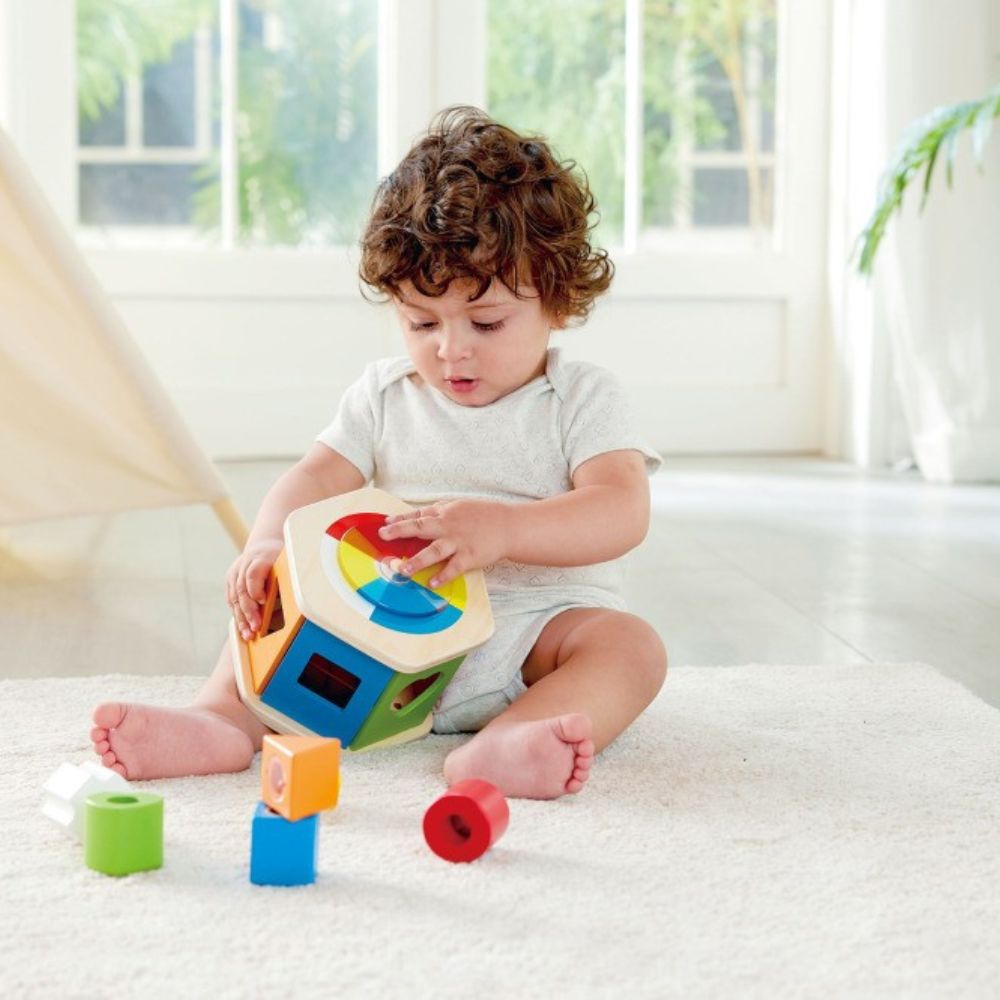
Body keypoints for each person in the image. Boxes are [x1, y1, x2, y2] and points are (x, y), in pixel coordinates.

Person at [90, 106, 667, 800]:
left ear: (560, 300)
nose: (451, 348)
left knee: (632, 649)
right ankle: (220, 719)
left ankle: (508, 742)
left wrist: (506, 530)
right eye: (421, 322)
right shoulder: (386, 394)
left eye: (485, 322)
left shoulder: (580, 398)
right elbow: (315, 474)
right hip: (376, 634)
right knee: (269, 602)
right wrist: (269, 542)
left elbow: (621, 510)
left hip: (533, 638)